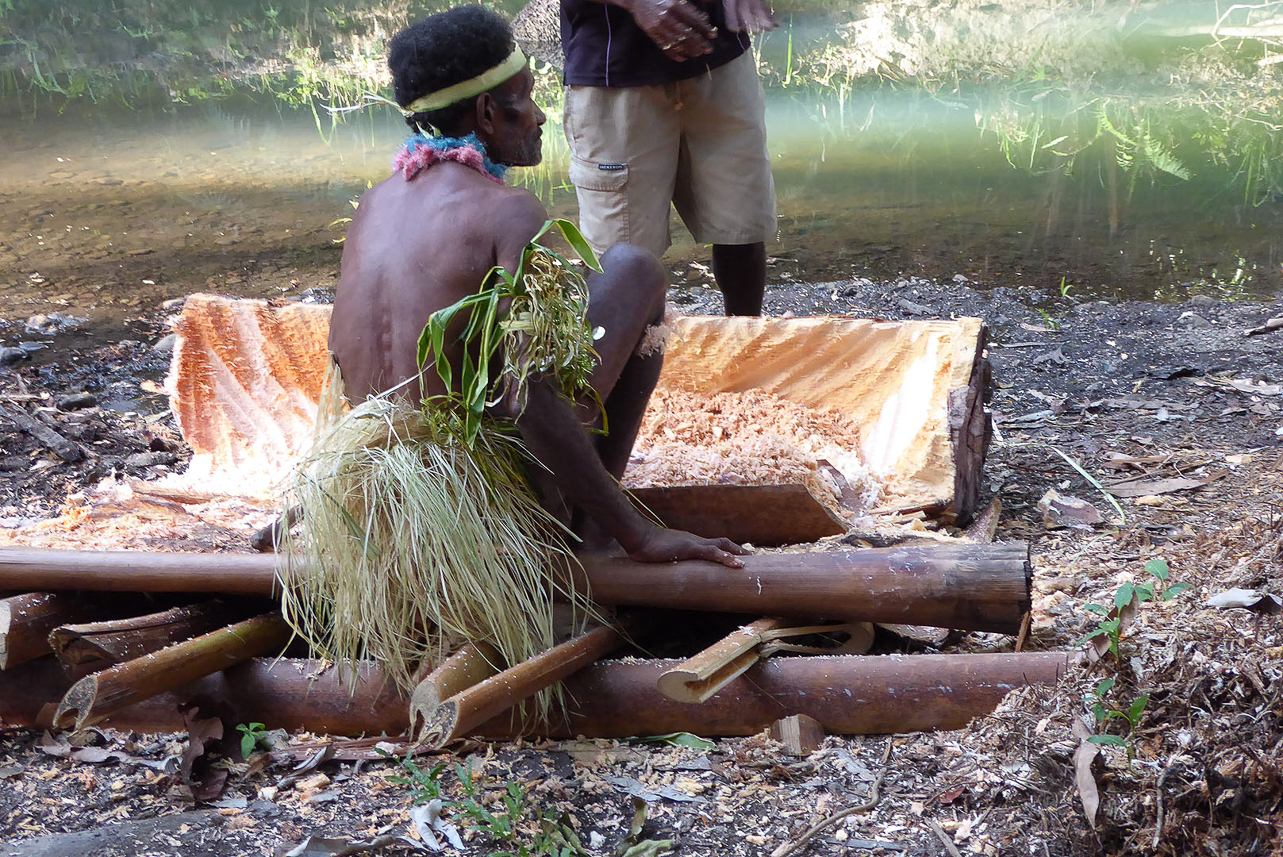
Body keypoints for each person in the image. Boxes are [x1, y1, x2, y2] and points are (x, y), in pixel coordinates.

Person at [327, 5, 745, 571]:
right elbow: (526, 398)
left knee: (596, 287)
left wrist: (316, 502)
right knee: (634, 270)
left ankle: (586, 519)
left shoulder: (374, 204)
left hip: (375, 502)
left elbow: (351, 367)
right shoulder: (508, 211)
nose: (542, 115)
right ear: (486, 112)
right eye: (525, 98)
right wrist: (640, 536)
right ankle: (594, 531)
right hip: (480, 508)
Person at [559, 0, 777, 316]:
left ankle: (746, 346)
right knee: (621, 257)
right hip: (614, 72)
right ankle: (624, 363)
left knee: (741, 230)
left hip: (720, 60)